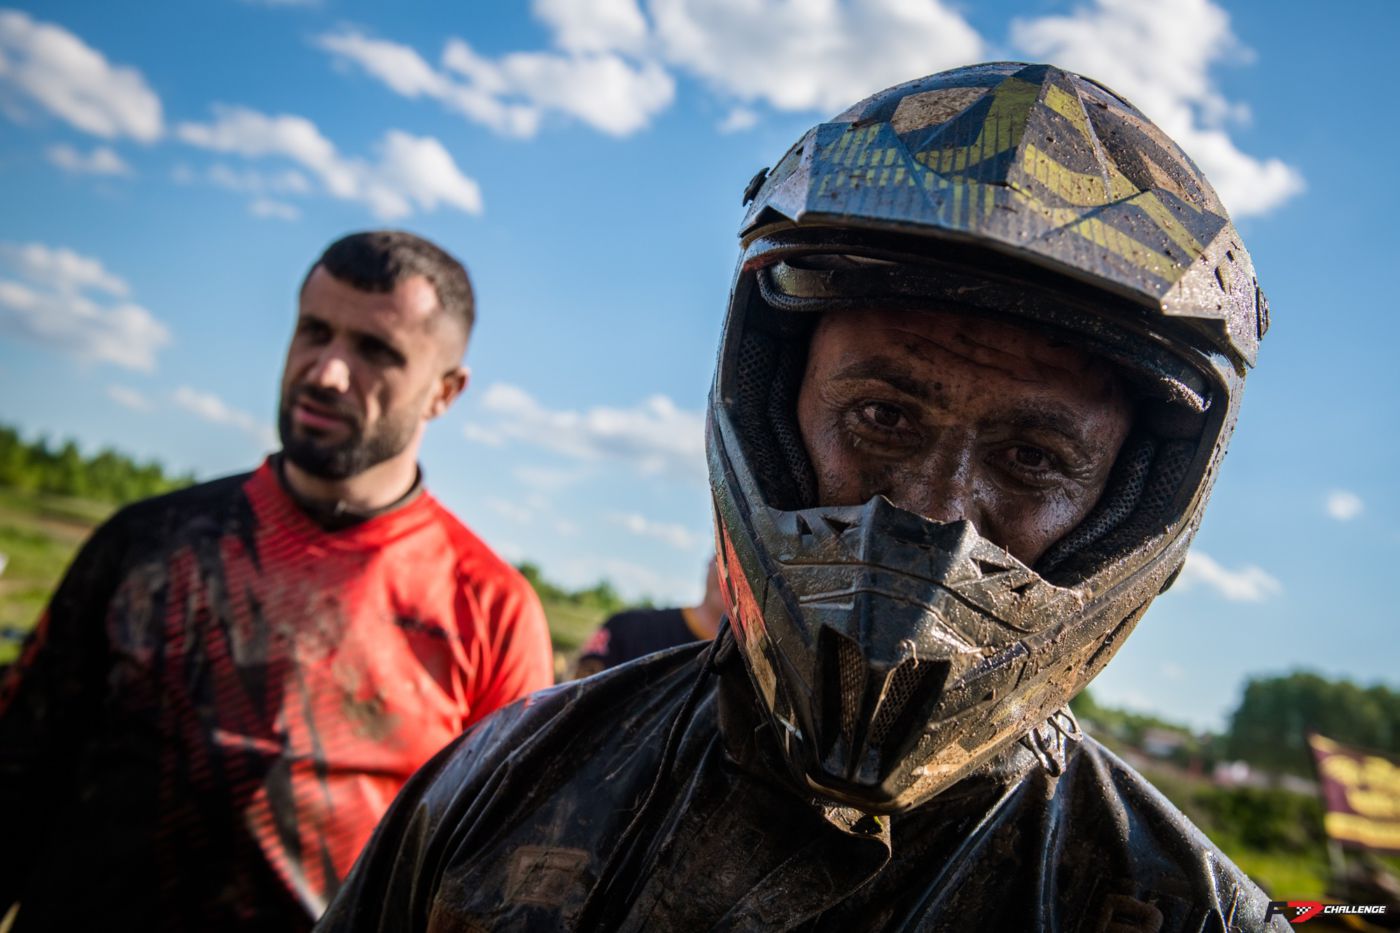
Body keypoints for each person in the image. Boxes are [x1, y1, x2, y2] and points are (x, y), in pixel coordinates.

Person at [316, 65, 1289, 931]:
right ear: (772, 407)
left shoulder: (1184, 912)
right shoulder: (509, 779)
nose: (933, 508)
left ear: (1128, 509)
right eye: (881, 416)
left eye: (1031, 458)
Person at [0, 231, 554, 931]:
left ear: (444, 391)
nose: (327, 373)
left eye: (375, 350)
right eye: (314, 332)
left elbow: (498, 880)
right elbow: (17, 775)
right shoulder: (147, 544)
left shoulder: (492, 609)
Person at [573, 558, 725, 678]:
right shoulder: (625, 629)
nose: (731, 575)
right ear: (711, 560)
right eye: (726, 558)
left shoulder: (739, 669)